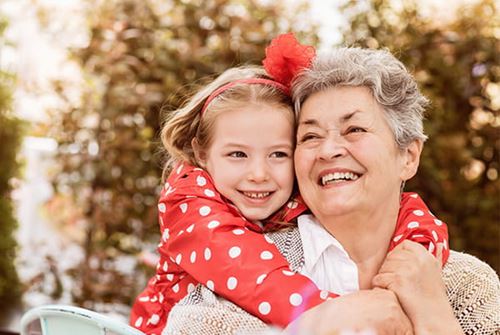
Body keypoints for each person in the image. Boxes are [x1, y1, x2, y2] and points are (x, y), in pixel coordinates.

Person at [162, 44, 500, 335]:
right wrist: (321, 322)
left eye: (353, 129)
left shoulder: (466, 285)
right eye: (310, 136)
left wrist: (435, 318)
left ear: (408, 157)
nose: (328, 150)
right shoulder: (239, 269)